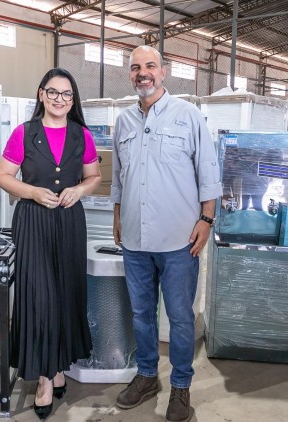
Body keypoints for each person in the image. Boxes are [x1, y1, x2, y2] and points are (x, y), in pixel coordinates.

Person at [110, 46, 222, 422]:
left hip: (179, 240)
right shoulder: (123, 121)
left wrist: (206, 219)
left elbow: (208, 171)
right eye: (135, 68)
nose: (143, 73)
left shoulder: (188, 116)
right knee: (141, 313)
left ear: (164, 72)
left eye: (150, 66)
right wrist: (117, 216)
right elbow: (119, 178)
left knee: (179, 317)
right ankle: (146, 376)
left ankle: (180, 386)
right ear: (130, 74)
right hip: (135, 239)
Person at [0, 68, 101, 420]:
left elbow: (94, 177)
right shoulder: (24, 133)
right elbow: (1, 176)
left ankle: (57, 366)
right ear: (41, 94)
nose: (59, 99)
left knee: (66, 294)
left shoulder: (82, 135)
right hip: (33, 222)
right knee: (40, 298)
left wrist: (79, 190)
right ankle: (44, 377)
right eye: (53, 92)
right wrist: (32, 192)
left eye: (67, 94)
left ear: (73, 100)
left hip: (69, 222)